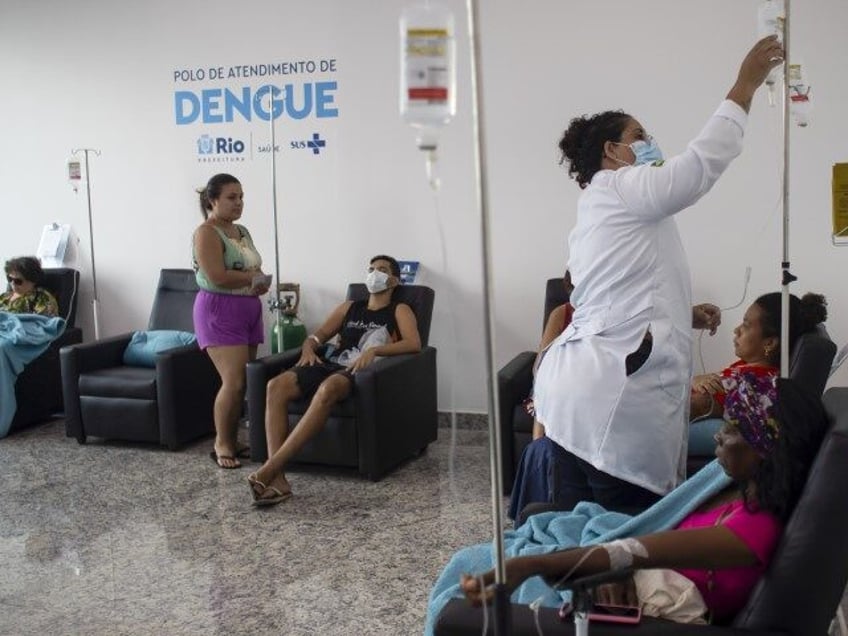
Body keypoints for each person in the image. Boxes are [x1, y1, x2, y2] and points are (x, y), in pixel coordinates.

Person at [526, 36, 784, 513]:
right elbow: (697, 169)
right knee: (624, 539)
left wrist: (680, 313)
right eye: (640, 136)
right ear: (613, 150)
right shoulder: (623, 185)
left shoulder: (602, 207)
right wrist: (744, 86)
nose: (650, 144)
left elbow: (615, 295)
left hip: (575, 396)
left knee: (582, 536)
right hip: (609, 402)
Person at [424, 373, 828, 631]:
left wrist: (531, 565)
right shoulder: (741, 497)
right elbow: (645, 540)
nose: (719, 436)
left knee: (470, 572)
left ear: (766, 448)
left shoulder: (750, 532)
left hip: (640, 603)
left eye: (735, 429)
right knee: (477, 555)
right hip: (628, 577)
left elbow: (636, 550)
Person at [247, 255, 421, 506]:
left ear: (393, 280)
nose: (374, 273)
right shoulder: (349, 306)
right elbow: (318, 337)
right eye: (371, 268)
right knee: (276, 386)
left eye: (381, 270)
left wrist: (374, 351)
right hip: (329, 362)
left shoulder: (399, 309)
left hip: (360, 372)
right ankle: (278, 478)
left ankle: (268, 470)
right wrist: (307, 348)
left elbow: (414, 344)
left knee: (327, 389)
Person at [192, 173, 270, 469]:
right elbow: (218, 276)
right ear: (213, 200)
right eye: (231, 197)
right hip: (219, 310)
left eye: (241, 197)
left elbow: (255, 265)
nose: (238, 203)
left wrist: (260, 281)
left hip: (248, 307)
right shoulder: (206, 233)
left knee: (245, 381)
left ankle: (234, 438)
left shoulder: (242, 231)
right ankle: (222, 443)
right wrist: (253, 278)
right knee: (233, 382)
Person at [688, 291, 827, 454]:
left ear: (770, 343)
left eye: (746, 325)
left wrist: (690, 381)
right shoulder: (754, 369)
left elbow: (694, 406)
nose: (736, 330)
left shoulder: (750, 383)